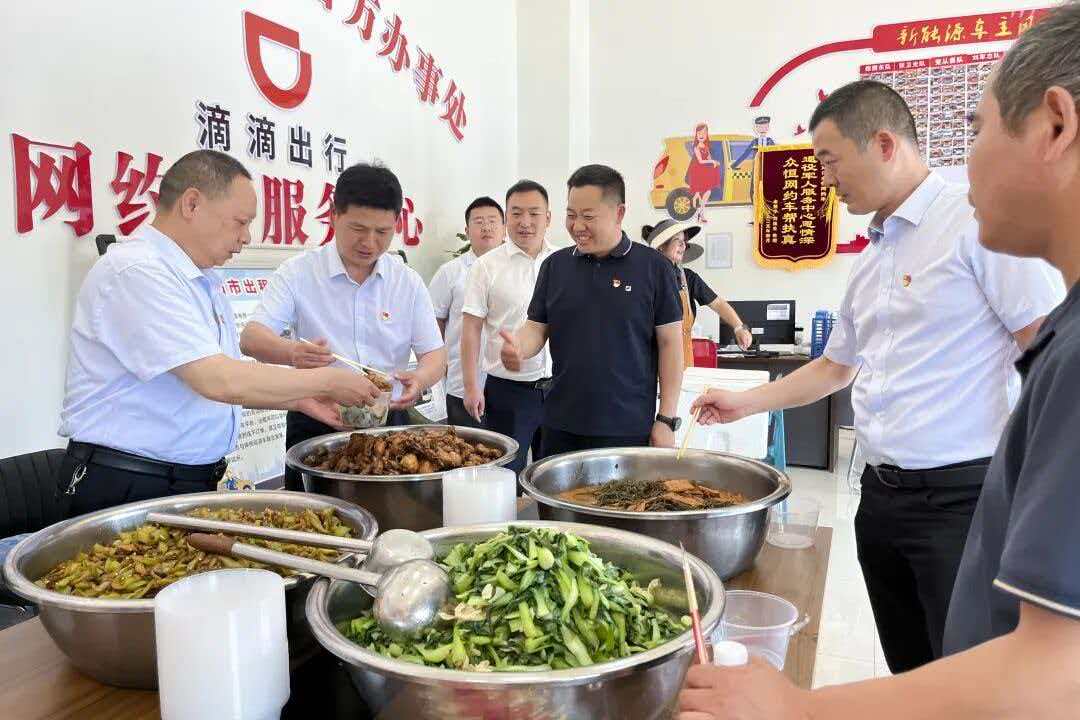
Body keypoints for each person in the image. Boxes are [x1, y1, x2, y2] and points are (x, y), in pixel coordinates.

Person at [678, 4, 1080, 717]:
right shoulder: (876, 257)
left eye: (829, 159)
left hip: (959, 496)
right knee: (915, 665)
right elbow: (836, 368)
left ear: (886, 144)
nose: (823, 177)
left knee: (965, 669)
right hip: (884, 495)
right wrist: (744, 401)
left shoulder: (975, 229)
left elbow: (1040, 347)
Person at [57, 150, 380, 516]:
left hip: (184, 480)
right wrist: (326, 381)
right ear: (192, 204)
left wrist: (299, 400)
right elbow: (218, 380)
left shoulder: (202, 279)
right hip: (129, 482)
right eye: (240, 222)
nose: (246, 237)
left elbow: (223, 377)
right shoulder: (136, 271)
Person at [240, 162, 446, 491]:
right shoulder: (299, 273)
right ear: (334, 215)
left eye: (382, 232)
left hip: (387, 423)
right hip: (316, 417)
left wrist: (420, 379)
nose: (369, 242)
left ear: (396, 223)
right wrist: (292, 352)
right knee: (312, 525)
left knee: (390, 516)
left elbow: (434, 354)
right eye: (358, 228)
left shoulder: (407, 283)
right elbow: (251, 338)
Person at [500, 164, 684, 456]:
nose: (577, 226)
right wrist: (519, 347)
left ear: (619, 213)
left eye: (588, 217)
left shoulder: (654, 268)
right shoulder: (555, 266)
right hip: (561, 423)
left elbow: (671, 343)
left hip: (627, 426)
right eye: (571, 216)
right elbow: (536, 328)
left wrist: (666, 418)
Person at [460, 181, 555, 475]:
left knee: (553, 473)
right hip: (508, 392)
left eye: (534, 214)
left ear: (548, 218)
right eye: (516, 213)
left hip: (559, 389)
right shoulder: (486, 266)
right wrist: (471, 386)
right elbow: (471, 329)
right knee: (505, 475)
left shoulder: (563, 262)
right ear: (506, 219)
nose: (525, 222)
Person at [428, 197, 505, 427]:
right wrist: (439, 366)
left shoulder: (516, 270)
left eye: (493, 221)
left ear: (504, 228)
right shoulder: (450, 272)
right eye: (479, 221)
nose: (486, 227)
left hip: (509, 384)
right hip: (462, 383)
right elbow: (434, 322)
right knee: (467, 452)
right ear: (467, 230)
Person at [643, 218, 753, 362]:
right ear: (661, 246)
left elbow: (718, 303)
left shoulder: (688, 278)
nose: (683, 245)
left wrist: (739, 327)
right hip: (654, 359)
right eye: (678, 240)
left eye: (684, 241)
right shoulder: (645, 279)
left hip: (684, 358)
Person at [686, 122, 722, 223]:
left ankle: (700, 213)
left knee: (707, 192)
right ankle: (701, 214)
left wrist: (715, 162)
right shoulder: (696, 147)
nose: (701, 135)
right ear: (696, 135)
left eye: (704, 133)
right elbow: (701, 161)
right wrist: (712, 161)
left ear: (707, 135)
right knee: (704, 193)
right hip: (698, 173)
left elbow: (709, 157)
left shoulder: (706, 147)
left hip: (705, 172)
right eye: (699, 133)